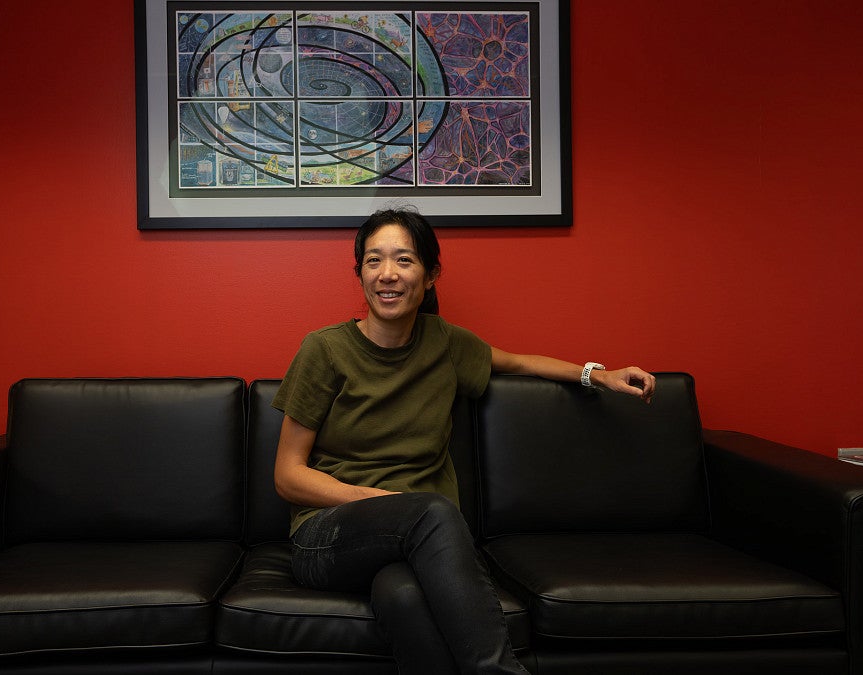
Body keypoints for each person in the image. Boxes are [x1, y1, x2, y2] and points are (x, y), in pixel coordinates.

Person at [272, 207, 655, 674]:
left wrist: (598, 375)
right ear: (360, 274)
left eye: (404, 260)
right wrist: (383, 502)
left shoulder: (446, 343)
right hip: (328, 536)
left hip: (417, 542)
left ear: (431, 274)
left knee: (403, 597)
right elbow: (287, 476)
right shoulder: (325, 349)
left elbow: (517, 362)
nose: (387, 274)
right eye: (373, 261)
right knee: (432, 510)